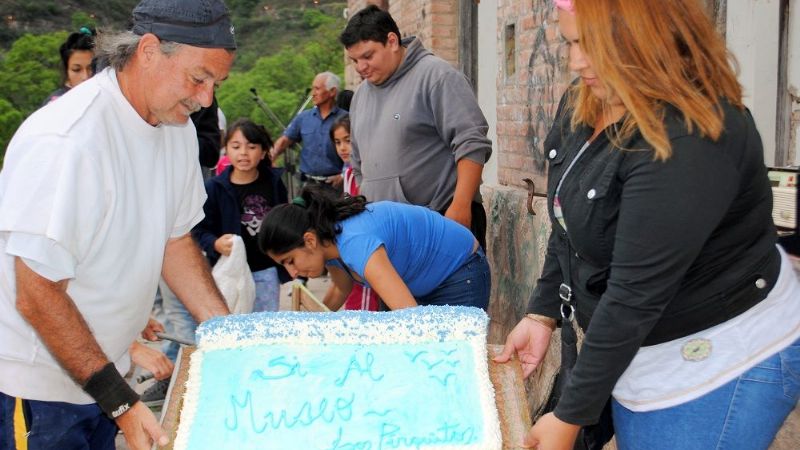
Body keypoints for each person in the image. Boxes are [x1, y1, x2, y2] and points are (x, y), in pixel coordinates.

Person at [494, 1, 800, 450]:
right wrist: (542, 313)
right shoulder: (587, 98)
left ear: (647, 36)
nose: (577, 62)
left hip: (716, 356)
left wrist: (570, 415)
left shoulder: (690, 137)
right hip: (639, 345)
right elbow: (566, 218)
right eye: (571, 43)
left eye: (593, 44)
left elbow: (634, 296)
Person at [0, 0, 236, 449]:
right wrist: (121, 402)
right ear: (148, 51)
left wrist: (228, 333)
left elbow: (175, 241)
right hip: (40, 387)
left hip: (104, 374)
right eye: (198, 78)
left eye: (215, 84)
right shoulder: (69, 141)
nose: (206, 99)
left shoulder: (178, 129)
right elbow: (37, 294)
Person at [340, 6, 492, 250]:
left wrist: (460, 206)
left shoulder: (437, 76)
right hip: (388, 233)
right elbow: (359, 165)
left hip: (442, 221)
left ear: (392, 41)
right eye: (354, 60)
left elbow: (472, 143)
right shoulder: (360, 97)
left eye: (367, 56)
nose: (360, 67)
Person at [258, 185, 490, 311]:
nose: (292, 273)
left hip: (460, 272)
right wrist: (308, 328)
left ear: (309, 240)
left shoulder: (356, 243)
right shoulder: (327, 242)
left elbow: (410, 316)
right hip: (425, 283)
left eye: (290, 260)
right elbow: (340, 289)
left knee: (448, 361)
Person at [193, 118, 289, 312]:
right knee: (233, 322)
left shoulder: (274, 182)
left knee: (264, 324)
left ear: (263, 152)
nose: (243, 153)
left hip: (266, 271)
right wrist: (215, 243)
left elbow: (285, 222)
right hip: (229, 271)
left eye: (251, 147)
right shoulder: (214, 189)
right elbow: (199, 230)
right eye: (236, 146)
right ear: (226, 150)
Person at [329, 115, 379, 311]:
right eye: (337, 142)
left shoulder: (368, 174)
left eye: (347, 141)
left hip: (366, 251)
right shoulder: (348, 174)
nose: (342, 148)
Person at [270, 71, 347, 192]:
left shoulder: (346, 119)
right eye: (312, 89)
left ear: (332, 91)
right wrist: (270, 158)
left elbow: (357, 152)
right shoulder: (303, 118)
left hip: (336, 186)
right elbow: (284, 140)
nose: (312, 93)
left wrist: (343, 176)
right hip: (307, 185)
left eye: (317, 89)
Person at [42, 27, 96, 105]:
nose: (85, 77)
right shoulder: (55, 104)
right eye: (76, 69)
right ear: (67, 71)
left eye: (92, 68)